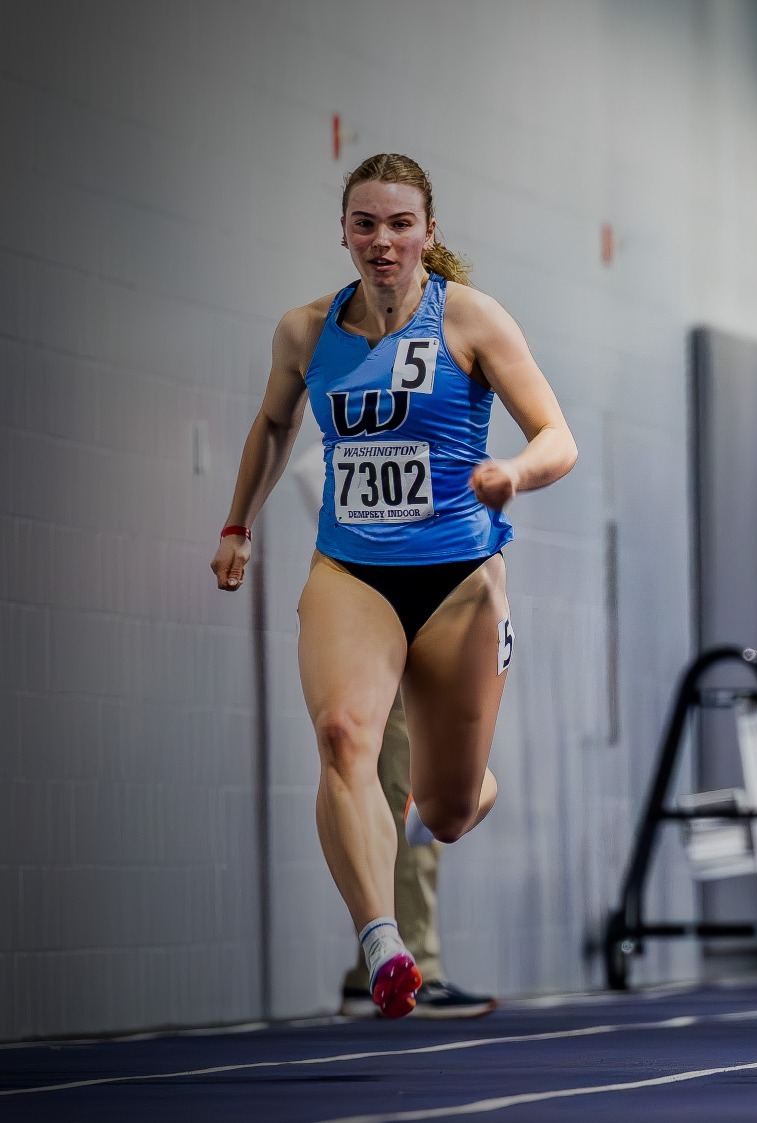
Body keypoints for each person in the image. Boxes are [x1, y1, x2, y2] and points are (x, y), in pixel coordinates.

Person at [212, 153, 577, 1018]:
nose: (383, 241)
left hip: (458, 576)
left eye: (400, 224)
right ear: (344, 232)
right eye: (366, 224)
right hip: (354, 568)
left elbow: (558, 434)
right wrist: (237, 525)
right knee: (343, 737)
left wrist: (514, 475)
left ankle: (431, 804)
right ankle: (381, 943)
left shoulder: (474, 321)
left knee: (450, 809)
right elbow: (271, 425)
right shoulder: (307, 330)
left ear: (428, 234)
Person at [338, 696, 499, 1018]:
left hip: (406, 661)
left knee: (406, 796)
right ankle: (412, 967)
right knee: (411, 800)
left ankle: (376, 969)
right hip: (402, 664)